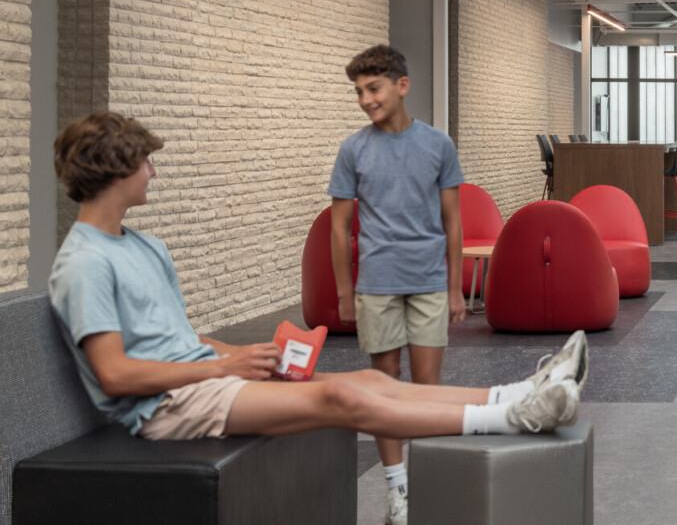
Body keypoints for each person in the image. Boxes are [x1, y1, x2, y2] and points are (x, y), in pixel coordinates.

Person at [47, 111, 585, 458]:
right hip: (164, 407)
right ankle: (513, 418)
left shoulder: (143, 245)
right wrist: (222, 367)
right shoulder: (85, 263)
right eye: (144, 163)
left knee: (371, 382)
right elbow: (114, 374)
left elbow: (177, 339)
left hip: (198, 381)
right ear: (116, 170)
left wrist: (249, 354)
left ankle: (517, 392)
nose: (153, 173)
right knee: (340, 394)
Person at [328, 44, 465, 525]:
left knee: (426, 391)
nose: (365, 99)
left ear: (401, 86)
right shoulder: (354, 150)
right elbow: (339, 227)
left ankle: (426, 481)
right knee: (385, 391)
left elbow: (452, 221)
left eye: (373, 88)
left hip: (428, 280)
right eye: (359, 91)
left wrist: (454, 288)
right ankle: (396, 488)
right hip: (377, 285)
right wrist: (346, 293)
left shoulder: (437, 145)